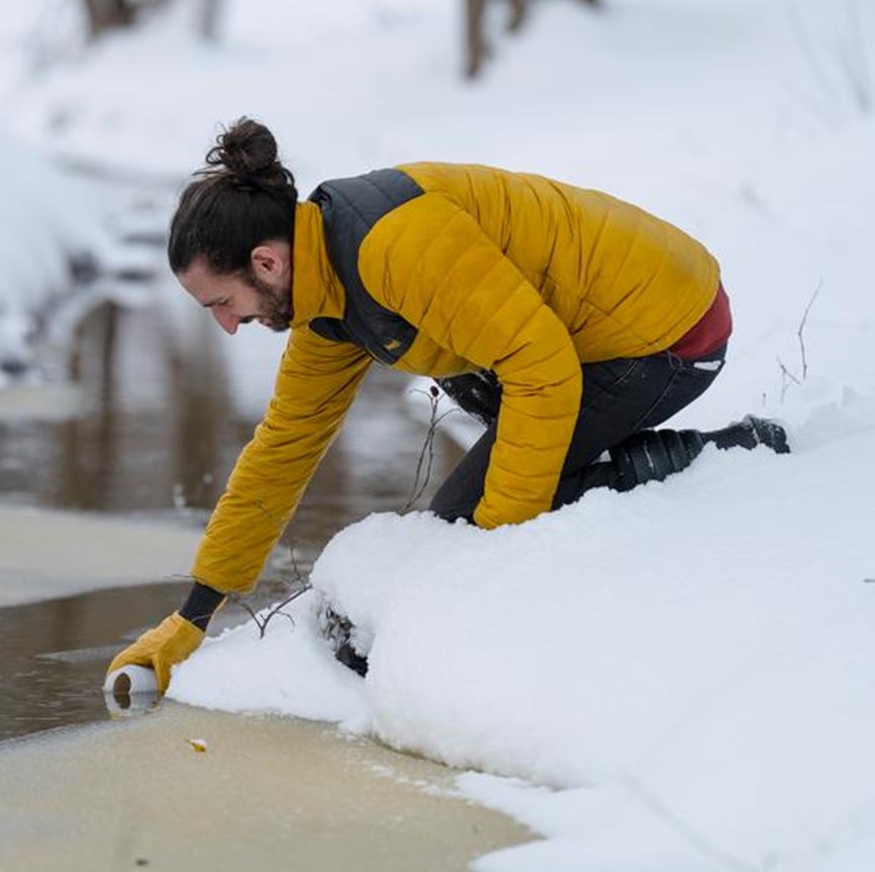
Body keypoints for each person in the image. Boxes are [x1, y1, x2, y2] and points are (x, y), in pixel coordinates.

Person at [107, 117, 787, 690]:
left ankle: (720, 459)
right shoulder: (326, 297)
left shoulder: (394, 247)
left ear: (267, 262)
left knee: (459, 521)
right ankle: (585, 471)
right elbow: (283, 447)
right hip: (576, 338)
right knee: (493, 448)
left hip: (664, 331)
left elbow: (541, 369)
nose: (226, 324)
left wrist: (490, 548)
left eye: (222, 303)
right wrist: (193, 616)